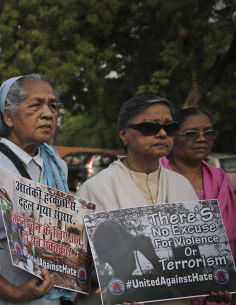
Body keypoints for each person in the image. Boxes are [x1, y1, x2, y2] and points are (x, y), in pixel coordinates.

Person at [0, 74, 71, 305]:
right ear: (8, 116)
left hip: (43, 296)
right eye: (36, 105)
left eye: (53, 106)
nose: (48, 114)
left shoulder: (58, 167)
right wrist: (12, 291)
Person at [76, 95, 198, 305]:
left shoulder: (182, 186)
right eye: (150, 127)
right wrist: (113, 283)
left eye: (169, 127)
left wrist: (214, 282)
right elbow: (75, 261)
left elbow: (197, 253)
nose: (161, 133)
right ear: (124, 134)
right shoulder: (95, 189)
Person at [160, 108, 235, 305]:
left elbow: (229, 237)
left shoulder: (220, 179)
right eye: (191, 133)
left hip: (216, 288)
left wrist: (223, 278)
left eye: (208, 133)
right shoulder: (155, 175)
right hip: (166, 288)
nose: (202, 139)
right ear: (172, 136)